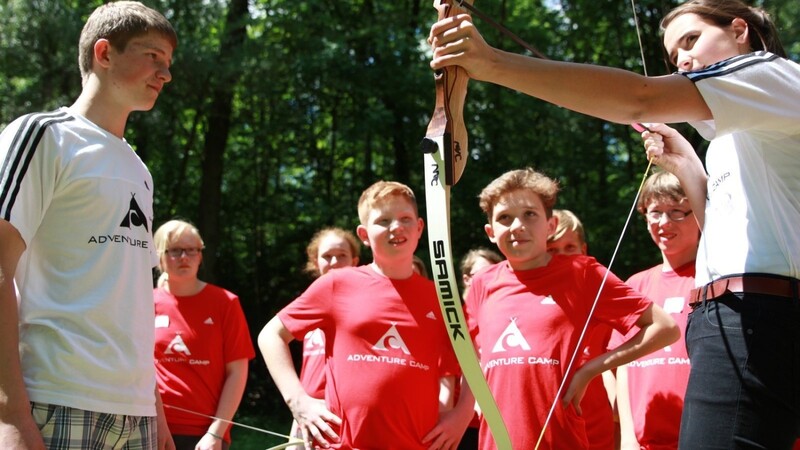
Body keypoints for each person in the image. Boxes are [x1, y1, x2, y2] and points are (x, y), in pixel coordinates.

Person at [430, 1, 800, 447]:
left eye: (691, 39)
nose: (681, 60)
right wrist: (685, 165)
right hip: (738, 315)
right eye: (673, 55)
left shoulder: (767, 72)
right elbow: (723, 236)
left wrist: (490, 63)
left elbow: (640, 97)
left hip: (758, 316)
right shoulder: (732, 136)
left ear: (740, 30)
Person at [0, 2, 177, 449]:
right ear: (104, 53)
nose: (165, 74)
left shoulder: (140, 169)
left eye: (168, 63)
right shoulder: (42, 134)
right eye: (153, 56)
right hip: (54, 403)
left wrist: (156, 415)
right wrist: (10, 416)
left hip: (136, 418)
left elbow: (131, 302)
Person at [450, 168, 679, 450]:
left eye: (530, 214)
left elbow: (665, 328)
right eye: (504, 218)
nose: (517, 226)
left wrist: (590, 370)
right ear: (491, 232)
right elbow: (469, 347)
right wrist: (467, 405)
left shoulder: (582, 273)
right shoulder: (482, 283)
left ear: (550, 225)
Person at [258, 181, 465, 449]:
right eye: (383, 220)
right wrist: (298, 400)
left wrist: (461, 415)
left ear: (419, 228)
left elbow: (471, 362)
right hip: (341, 444)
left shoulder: (442, 297)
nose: (396, 227)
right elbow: (270, 335)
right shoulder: (337, 284)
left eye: (405, 219)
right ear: (364, 234)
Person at [609, 171, 697, 450]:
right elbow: (623, 362)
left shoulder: (716, 279)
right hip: (644, 441)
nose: (664, 222)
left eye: (677, 211)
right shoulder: (635, 285)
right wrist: (627, 437)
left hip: (703, 435)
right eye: (655, 212)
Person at [153, 220, 255, 450]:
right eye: (175, 250)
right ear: (159, 256)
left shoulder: (226, 303)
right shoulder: (144, 302)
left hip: (203, 434)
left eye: (191, 250)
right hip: (153, 426)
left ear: (201, 255)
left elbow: (237, 372)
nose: (184, 257)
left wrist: (216, 433)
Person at [546, 209, 616, 450]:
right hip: (545, 428)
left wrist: (593, 371)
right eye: (552, 249)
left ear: (583, 251)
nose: (562, 256)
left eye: (569, 248)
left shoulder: (601, 295)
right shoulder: (528, 297)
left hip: (594, 424)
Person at [289, 227, 361, 448]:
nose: (335, 261)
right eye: (327, 256)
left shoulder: (364, 304)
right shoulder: (306, 303)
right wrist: (299, 405)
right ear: (315, 261)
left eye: (342, 255)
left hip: (342, 414)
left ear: (355, 261)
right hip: (306, 411)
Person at [455, 247, 503, 450]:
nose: (489, 281)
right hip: (459, 421)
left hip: (496, 417)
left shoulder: (503, 316)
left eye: (495, 274)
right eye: (483, 274)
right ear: (467, 279)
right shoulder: (453, 318)